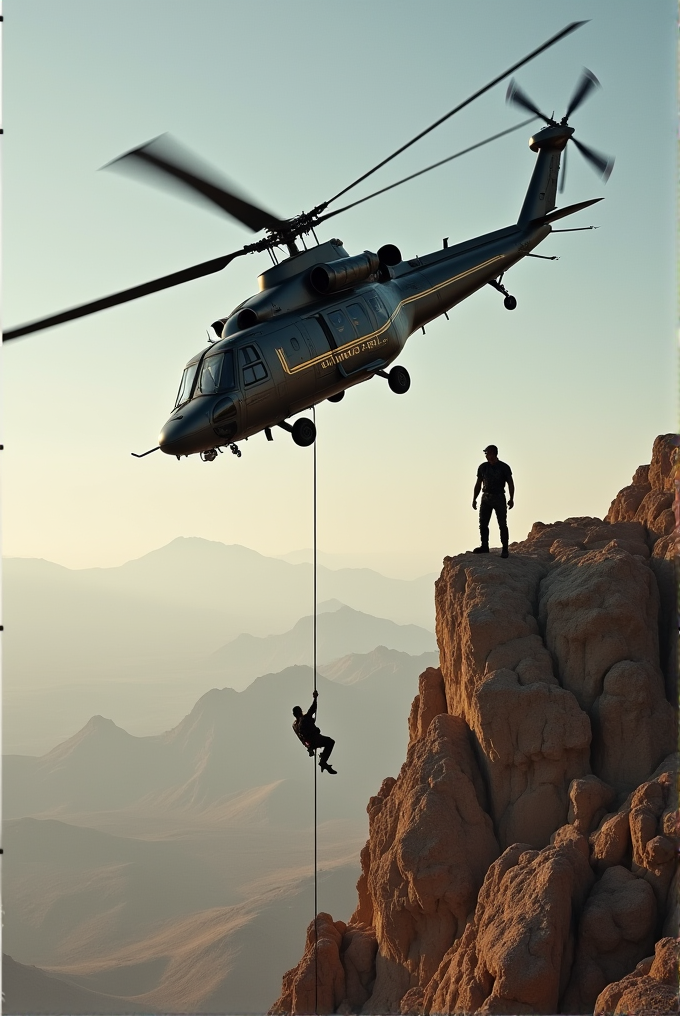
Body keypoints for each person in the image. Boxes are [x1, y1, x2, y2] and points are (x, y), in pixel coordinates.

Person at [472, 444, 514, 558]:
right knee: (483, 524)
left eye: (487, 453)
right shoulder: (483, 467)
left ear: (493, 453)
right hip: (486, 498)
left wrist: (511, 499)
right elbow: (478, 484)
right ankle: (484, 546)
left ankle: (505, 548)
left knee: (502, 524)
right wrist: (474, 499)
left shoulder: (504, 467)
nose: (486, 455)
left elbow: (510, 483)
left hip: (499, 497)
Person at [292, 691, 337, 774]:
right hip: (315, 739)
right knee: (330, 742)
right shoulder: (304, 719)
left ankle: (323, 758)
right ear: (300, 711)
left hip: (309, 744)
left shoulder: (295, 725)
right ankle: (323, 761)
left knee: (328, 742)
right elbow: (312, 709)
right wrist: (315, 698)